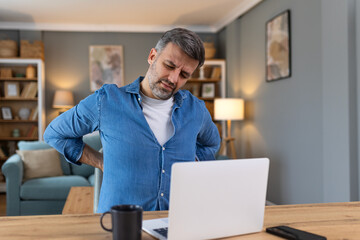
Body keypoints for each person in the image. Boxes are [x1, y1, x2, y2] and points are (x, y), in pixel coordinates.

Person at [44, 28, 221, 213]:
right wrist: (100, 161)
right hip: (119, 225)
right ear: (152, 56)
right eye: (169, 65)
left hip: (178, 222)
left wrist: (194, 163)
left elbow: (211, 144)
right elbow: (55, 134)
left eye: (184, 74)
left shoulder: (196, 110)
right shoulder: (106, 101)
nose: (173, 78)